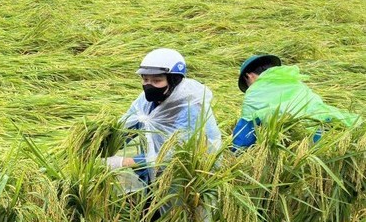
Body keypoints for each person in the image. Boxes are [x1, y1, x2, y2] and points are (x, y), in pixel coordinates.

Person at [104, 48, 221, 184]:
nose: (149, 85)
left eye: (157, 81)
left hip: (185, 179)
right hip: (151, 173)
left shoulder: (190, 108)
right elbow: (126, 127)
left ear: (174, 80)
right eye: (145, 79)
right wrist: (103, 146)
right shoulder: (144, 102)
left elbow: (177, 154)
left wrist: (125, 162)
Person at [232, 54, 359, 151]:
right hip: (328, 138)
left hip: (298, 147)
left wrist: (234, 154)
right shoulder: (296, 83)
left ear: (248, 76)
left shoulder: (255, 92)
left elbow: (245, 132)